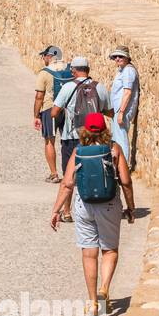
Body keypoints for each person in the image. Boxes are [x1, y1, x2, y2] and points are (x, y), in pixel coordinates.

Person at [49, 112, 136, 316]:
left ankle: (93, 302)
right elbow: (125, 181)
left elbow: (67, 183)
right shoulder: (114, 149)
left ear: (85, 130)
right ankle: (104, 288)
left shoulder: (79, 150)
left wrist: (56, 210)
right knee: (109, 250)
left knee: (89, 253)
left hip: (83, 205)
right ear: (105, 130)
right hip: (109, 205)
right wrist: (130, 207)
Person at [51, 56, 111, 219]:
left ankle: (67, 212)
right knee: (96, 168)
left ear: (73, 70)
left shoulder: (68, 87)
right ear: (88, 69)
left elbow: (54, 112)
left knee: (69, 174)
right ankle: (97, 202)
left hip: (72, 136)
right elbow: (109, 111)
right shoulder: (100, 87)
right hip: (95, 137)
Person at [34, 45, 71, 183]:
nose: (43, 58)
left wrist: (36, 115)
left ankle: (54, 174)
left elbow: (39, 96)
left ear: (49, 56)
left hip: (50, 109)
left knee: (49, 140)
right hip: (67, 109)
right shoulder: (69, 69)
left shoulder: (44, 73)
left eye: (44, 55)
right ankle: (70, 172)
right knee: (68, 140)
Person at [108, 46, 139, 168]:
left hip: (123, 110)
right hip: (118, 110)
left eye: (120, 56)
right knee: (117, 138)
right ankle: (119, 166)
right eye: (115, 56)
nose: (117, 59)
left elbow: (128, 92)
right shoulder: (122, 70)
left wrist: (121, 112)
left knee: (121, 138)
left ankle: (124, 166)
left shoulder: (128, 71)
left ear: (127, 57)